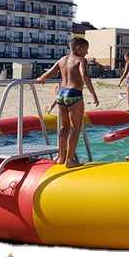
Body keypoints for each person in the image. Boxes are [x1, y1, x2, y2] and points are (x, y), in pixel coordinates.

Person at [35, 37, 99, 167]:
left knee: (64, 128)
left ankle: (60, 157)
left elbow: (50, 73)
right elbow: (84, 76)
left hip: (61, 94)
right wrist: (93, 94)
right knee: (75, 128)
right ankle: (70, 160)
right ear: (78, 48)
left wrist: (41, 78)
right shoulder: (80, 60)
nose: (87, 53)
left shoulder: (62, 60)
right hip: (74, 94)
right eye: (86, 49)